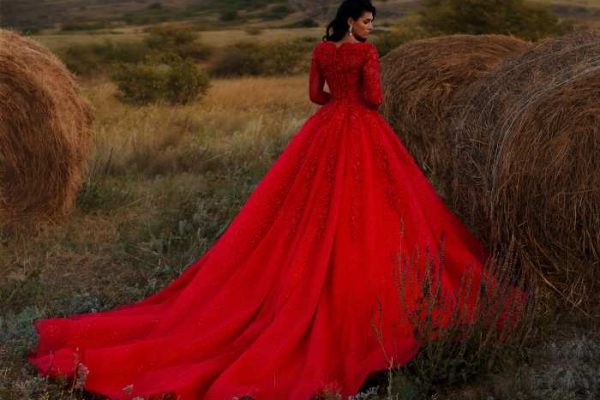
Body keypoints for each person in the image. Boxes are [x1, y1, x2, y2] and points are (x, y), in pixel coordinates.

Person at [27, 0, 523, 398]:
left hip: (326, 130)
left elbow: (315, 97)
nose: (372, 28)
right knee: (382, 208)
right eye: (368, 21)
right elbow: (374, 99)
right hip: (363, 131)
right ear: (352, 20)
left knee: (302, 208)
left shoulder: (321, 50)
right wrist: (361, 96)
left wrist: (335, 105)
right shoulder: (367, 55)